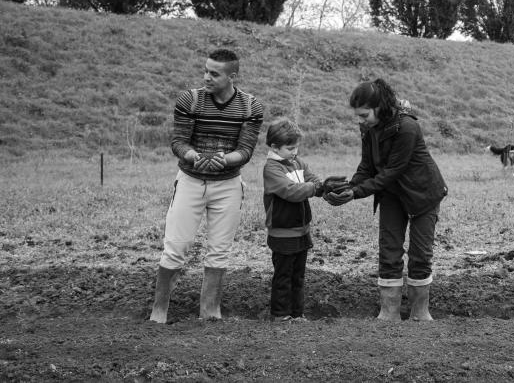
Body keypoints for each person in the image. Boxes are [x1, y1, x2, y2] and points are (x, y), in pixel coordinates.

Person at [150, 49, 264, 323]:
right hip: (190, 180)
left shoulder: (250, 107)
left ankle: (210, 311)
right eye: (205, 71)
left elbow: (245, 150)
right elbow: (179, 142)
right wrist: (194, 156)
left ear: (232, 76)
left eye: (214, 73)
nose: (207, 77)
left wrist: (225, 160)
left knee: (220, 248)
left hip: (228, 184)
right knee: (176, 245)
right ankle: (159, 310)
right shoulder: (190, 99)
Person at [324, 79, 448, 322]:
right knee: (389, 251)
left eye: (364, 114)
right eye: (358, 115)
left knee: (420, 254)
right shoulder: (369, 128)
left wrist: (357, 192)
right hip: (392, 194)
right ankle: (389, 312)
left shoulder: (407, 127)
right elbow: (367, 166)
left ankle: (420, 313)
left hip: (423, 194)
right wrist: (349, 187)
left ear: (379, 107)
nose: (360, 120)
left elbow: (393, 171)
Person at [262, 118, 349, 322]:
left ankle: (297, 314)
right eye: (290, 147)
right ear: (275, 147)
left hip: (301, 230)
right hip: (282, 233)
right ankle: (280, 315)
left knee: (298, 276)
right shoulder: (272, 168)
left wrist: (325, 188)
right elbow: (291, 191)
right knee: (283, 277)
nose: (295, 151)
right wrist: (316, 188)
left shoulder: (297, 162)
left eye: (297, 147)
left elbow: (312, 180)